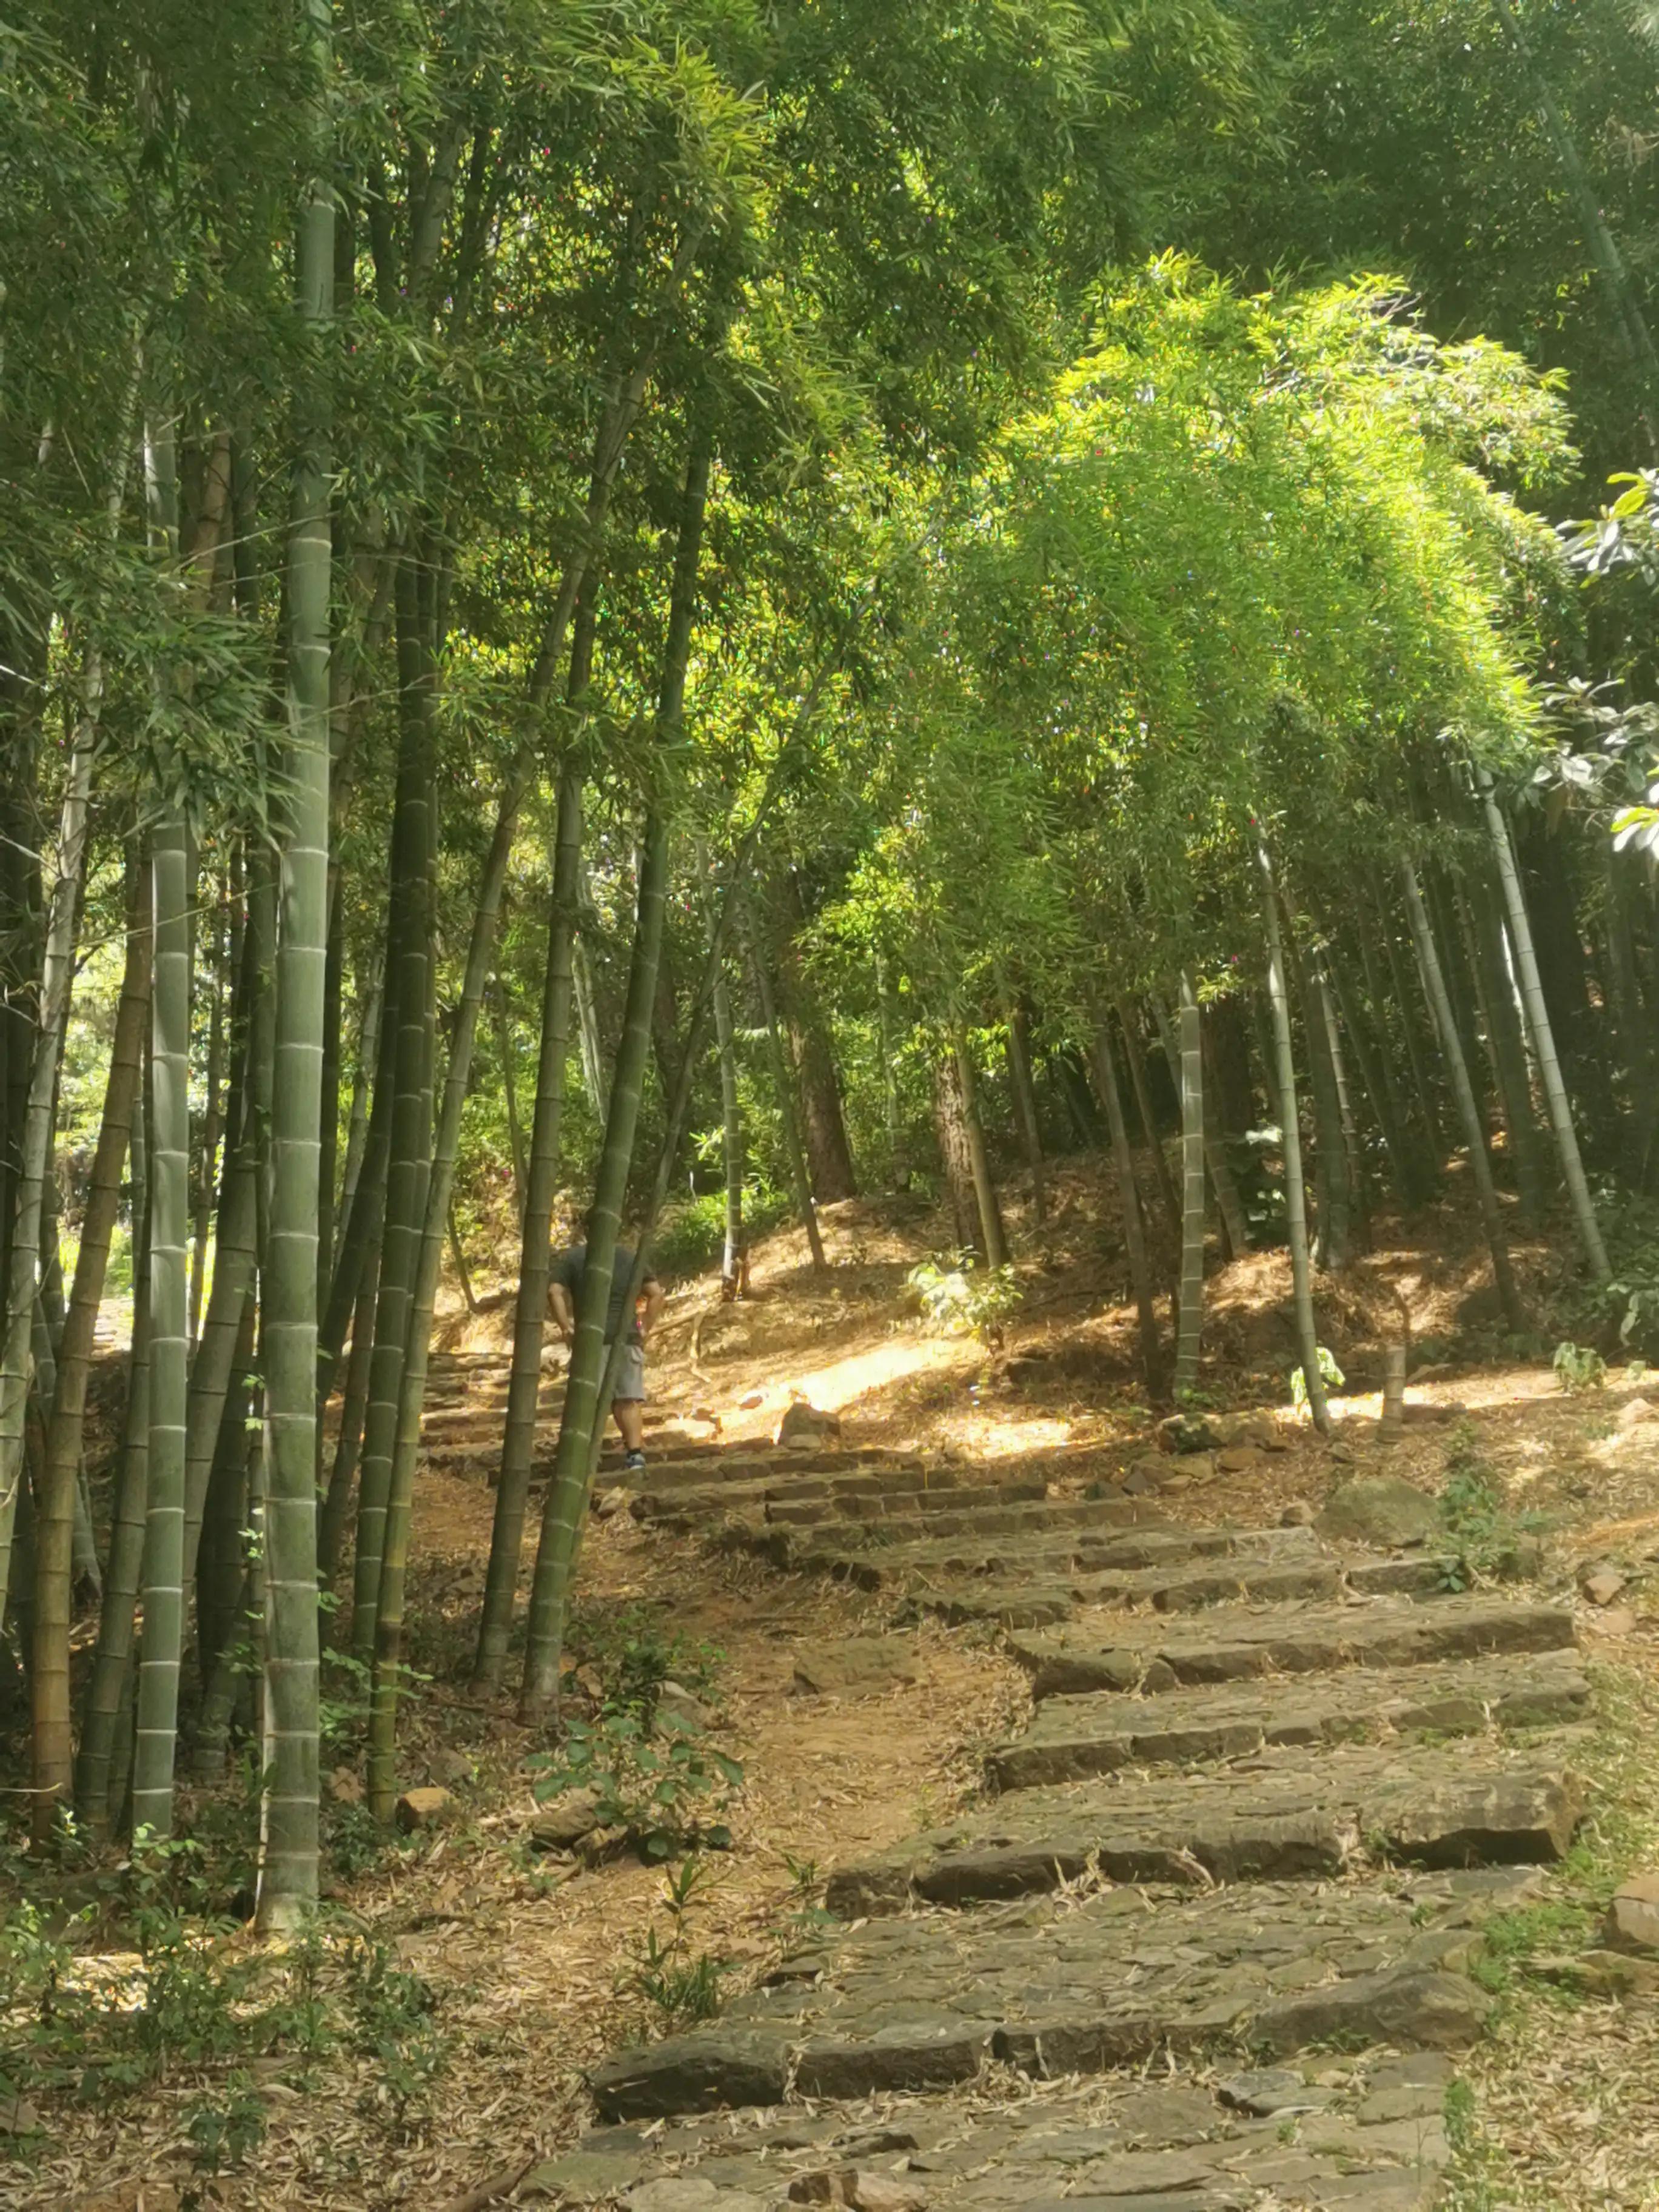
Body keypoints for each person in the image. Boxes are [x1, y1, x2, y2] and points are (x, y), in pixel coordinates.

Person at [547, 1239, 665, 1472]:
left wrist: (565, 1327)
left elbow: (554, 1292)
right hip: (626, 1336)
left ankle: (581, 1458)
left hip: (591, 1340)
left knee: (587, 1400)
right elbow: (657, 1295)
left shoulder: (575, 1257)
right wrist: (644, 1327)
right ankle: (635, 1456)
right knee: (627, 1399)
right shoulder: (630, 1258)